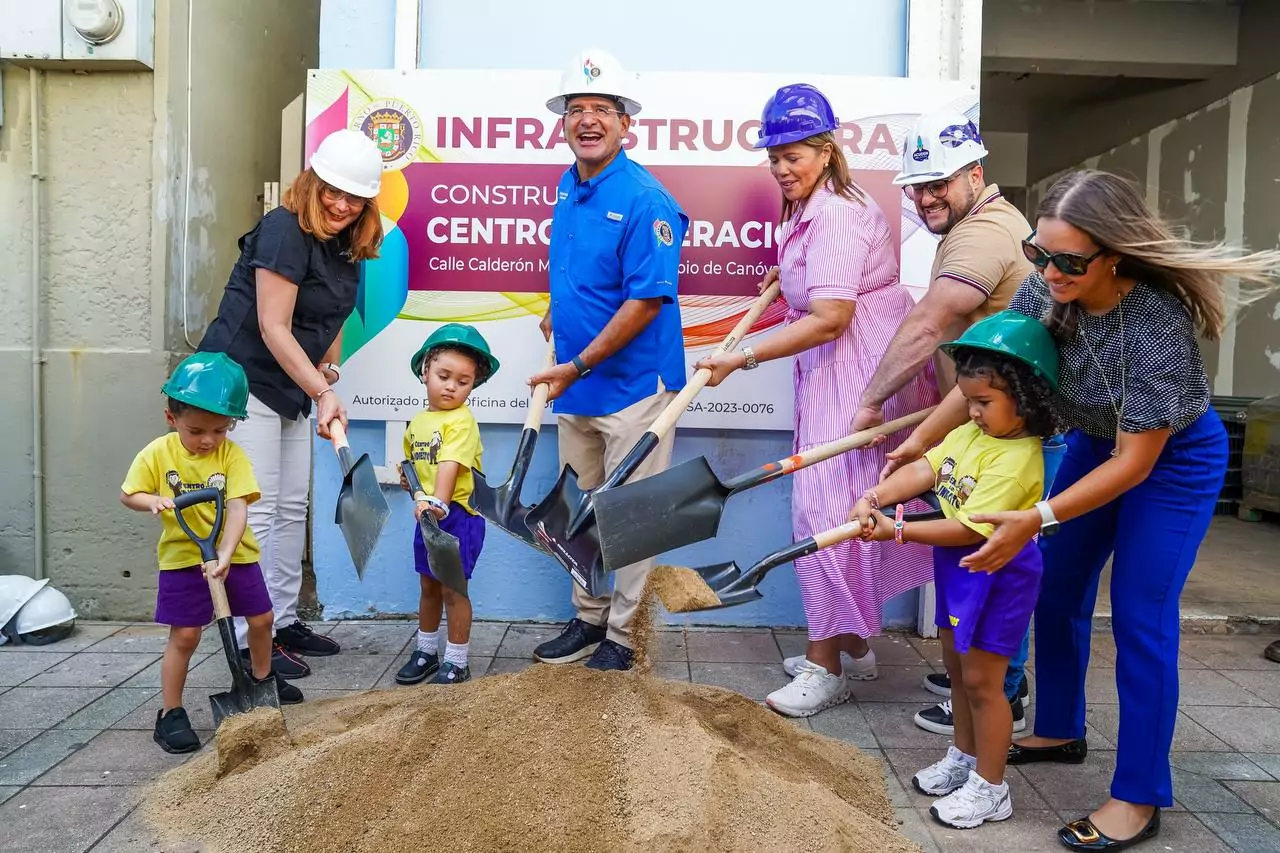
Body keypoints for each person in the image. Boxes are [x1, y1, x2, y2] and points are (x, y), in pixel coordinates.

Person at [886, 169, 1280, 850]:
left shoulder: (1156, 325)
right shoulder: (1047, 285)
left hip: (1172, 460)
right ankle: (1062, 727)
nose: (1049, 271)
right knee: (1057, 585)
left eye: (1069, 260)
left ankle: (1138, 793)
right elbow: (995, 366)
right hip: (1098, 443)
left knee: (1139, 614)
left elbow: (1137, 463)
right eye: (1040, 253)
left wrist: (1036, 516)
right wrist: (919, 440)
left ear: (1114, 256)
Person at [694, 84, 937, 717]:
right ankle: (853, 645)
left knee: (822, 516)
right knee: (842, 505)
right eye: (773, 156)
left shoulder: (831, 214)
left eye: (793, 155)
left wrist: (741, 356)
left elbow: (830, 318)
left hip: (852, 370)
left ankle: (827, 668)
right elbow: (819, 293)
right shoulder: (814, 209)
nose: (781, 167)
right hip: (839, 368)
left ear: (827, 150)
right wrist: (784, 274)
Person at [857, 110, 1037, 735]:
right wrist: (928, 435)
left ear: (975, 174)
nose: (927, 196)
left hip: (1006, 434)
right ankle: (979, 678)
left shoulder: (982, 235)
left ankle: (999, 696)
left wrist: (872, 400)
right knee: (974, 560)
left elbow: (934, 321)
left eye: (940, 183)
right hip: (976, 422)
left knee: (990, 555)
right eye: (918, 185)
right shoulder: (973, 228)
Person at [850, 311, 1060, 829]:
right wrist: (875, 494)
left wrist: (895, 530)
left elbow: (969, 529)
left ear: (1027, 398)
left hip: (998, 574)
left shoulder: (1018, 459)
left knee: (986, 684)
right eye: (968, 400)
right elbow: (926, 468)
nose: (972, 411)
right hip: (958, 567)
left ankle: (991, 788)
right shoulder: (972, 433)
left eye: (983, 402)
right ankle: (965, 758)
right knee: (960, 676)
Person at [198, 128, 384, 678]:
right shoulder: (284, 229)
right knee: (255, 511)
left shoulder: (349, 244)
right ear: (313, 182)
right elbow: (272, 326)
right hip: (243, 382)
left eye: (354, 198)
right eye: (332, 190)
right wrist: (323, 392)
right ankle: (247, 634)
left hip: (291, 387)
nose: (340, 204)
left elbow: (331, 319)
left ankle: (279, 621)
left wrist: (328, 374)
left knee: (291, 509)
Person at [527, 48, 688, 672]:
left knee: (631, 519)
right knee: (580, 509)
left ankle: (623, 637)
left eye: (602, 110)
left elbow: (646, 301)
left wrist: (577, 362)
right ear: (563, 122)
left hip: (632, 392)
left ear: (627, 125)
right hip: (579, 388)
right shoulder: (570, 186)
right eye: (576, 109)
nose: (587, 120)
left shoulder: (647, 199)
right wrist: (559, 312)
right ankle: (589, 618)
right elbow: (587, 277)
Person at [121, 353, 302, 754]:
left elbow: (238, 506)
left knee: (262, 618)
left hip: (235, 556)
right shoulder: (157, 454)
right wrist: (151, 500)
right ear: (172, 418)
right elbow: (128, 493)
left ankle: (259, 681)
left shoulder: (230, 455)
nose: (208, 440)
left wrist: (225, 551)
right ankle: (170, 712)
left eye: (221, 430)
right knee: (185, 635)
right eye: (197, 430)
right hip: (182, 560)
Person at [394, 324, 499, 686]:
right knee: (428, 586)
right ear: (425, 372)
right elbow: (413, 463)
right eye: (443, 376)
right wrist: (411, 484)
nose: (452, 386)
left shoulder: (462, 421)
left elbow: (451, 465)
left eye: (463, 381)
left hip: (456, 517)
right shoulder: (420, 421)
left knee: (453, 589)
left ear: (473, 386)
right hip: (429, 515)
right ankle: (425, 651)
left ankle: (457, 660)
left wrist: (436, 502)